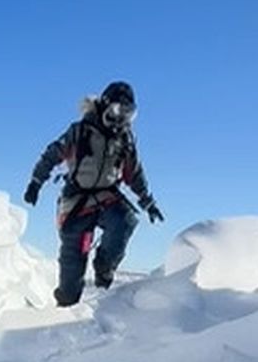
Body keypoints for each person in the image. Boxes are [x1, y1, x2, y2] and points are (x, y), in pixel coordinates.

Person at [23, 81, 164, 306]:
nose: (122, 118)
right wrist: (36, 182)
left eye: (129, 113)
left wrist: (149, 202)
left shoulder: (125, 139)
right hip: (77, 200)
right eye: (119, 110)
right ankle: (65, 305)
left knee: (126, 221)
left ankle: (104, 267)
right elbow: (52, 154)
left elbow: (134, 173)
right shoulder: (79, 132)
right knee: (71, 274)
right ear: (106, 105)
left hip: (107, 196)